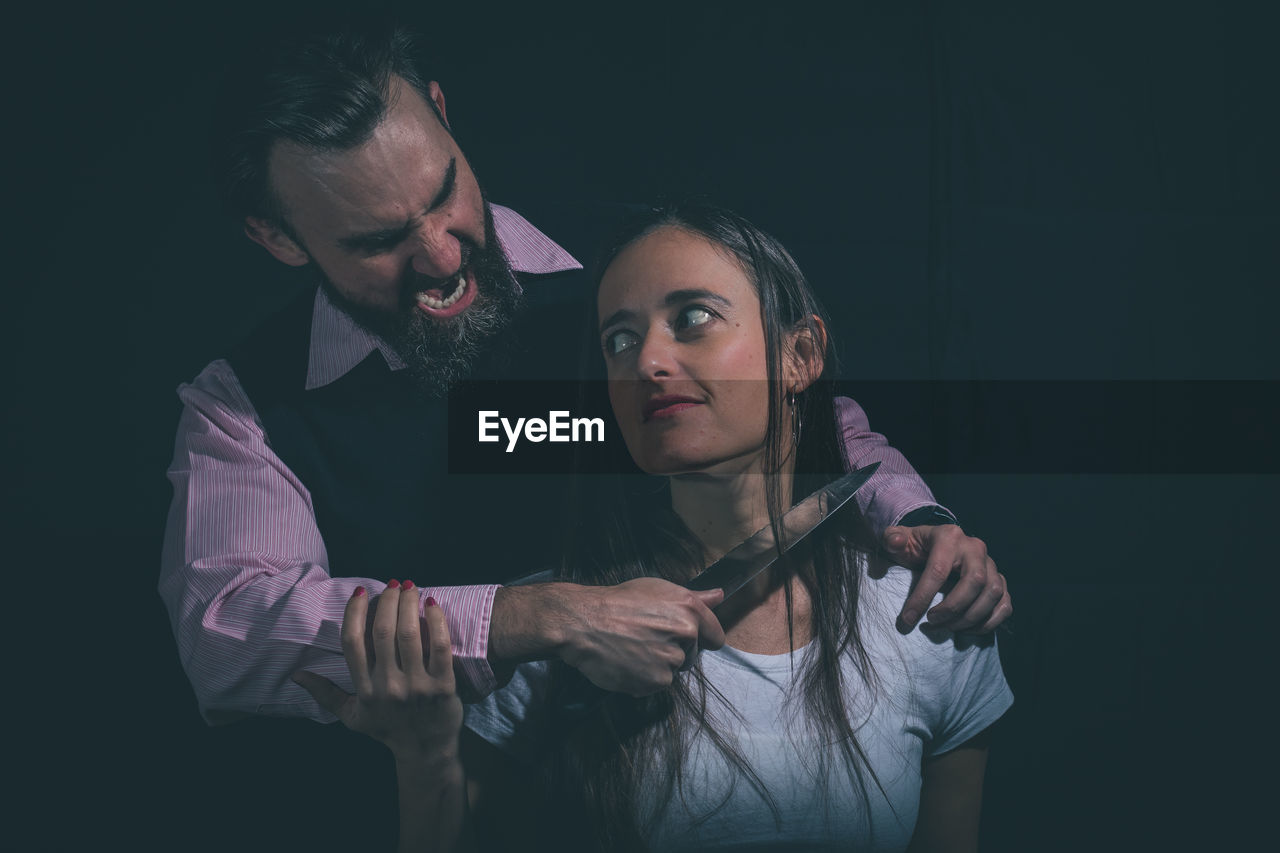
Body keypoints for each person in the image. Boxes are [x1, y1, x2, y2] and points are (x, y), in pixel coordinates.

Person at [160, 23, 1008, 732]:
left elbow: (795, 410)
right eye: (376, 242)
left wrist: (913, 515)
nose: (445, 255)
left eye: (445, 193)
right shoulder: (246, 407)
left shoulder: (619, 278)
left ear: (446, 118)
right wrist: (541, 617)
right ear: (278, 238)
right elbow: (229, 627)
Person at [299, 202, 1013, 851]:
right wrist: (425, 758)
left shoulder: (927, 616)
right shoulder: (553, 642)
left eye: (693, 317)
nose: (646, 361)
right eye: (619, 339)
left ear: (800, 357)